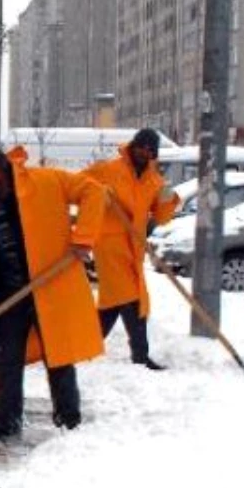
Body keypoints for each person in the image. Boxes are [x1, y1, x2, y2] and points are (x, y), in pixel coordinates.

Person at [0, 143, 105, 443]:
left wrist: (83, 237)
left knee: (59, 359)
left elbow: (94, 191)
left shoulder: (46, 181)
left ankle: (69, 420)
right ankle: (6, 423)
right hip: (7, 296)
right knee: (6, 362)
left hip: (50, 288)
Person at [83, 129, 180, 371]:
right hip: (109, 244)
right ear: (133, 146)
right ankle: (139, 356)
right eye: (141, 147)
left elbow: (161, 216)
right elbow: (77, 186)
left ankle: (84, 347)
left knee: (115, 302)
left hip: (134, 248)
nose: (144, 152)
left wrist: (169, 199)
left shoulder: (154, 181)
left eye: (149, 150)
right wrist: (97, 195)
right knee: (132, 299)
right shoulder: (108, 170)